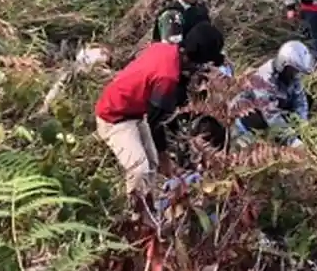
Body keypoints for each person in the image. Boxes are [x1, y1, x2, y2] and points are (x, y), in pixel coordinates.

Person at [94, 22, 225, 199]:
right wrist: (165, 158)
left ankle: (149, 206)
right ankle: (137, 218)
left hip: (134, 111)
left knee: (152, 163)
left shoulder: (165, 48)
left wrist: (163, 159)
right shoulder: (167, 77)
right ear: (197, 59)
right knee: (139, 170)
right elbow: (155, 122)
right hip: (114, 117)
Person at [234, 41, 313, 147]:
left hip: (276, 111)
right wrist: (292, 140)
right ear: (283, 65)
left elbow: (300, 102)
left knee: (309, 99)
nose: (295, 74)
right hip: (249, 119)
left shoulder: (293, 78)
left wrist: (302, 126)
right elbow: (271, 114)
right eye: (293, 70)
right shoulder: (263, 79)